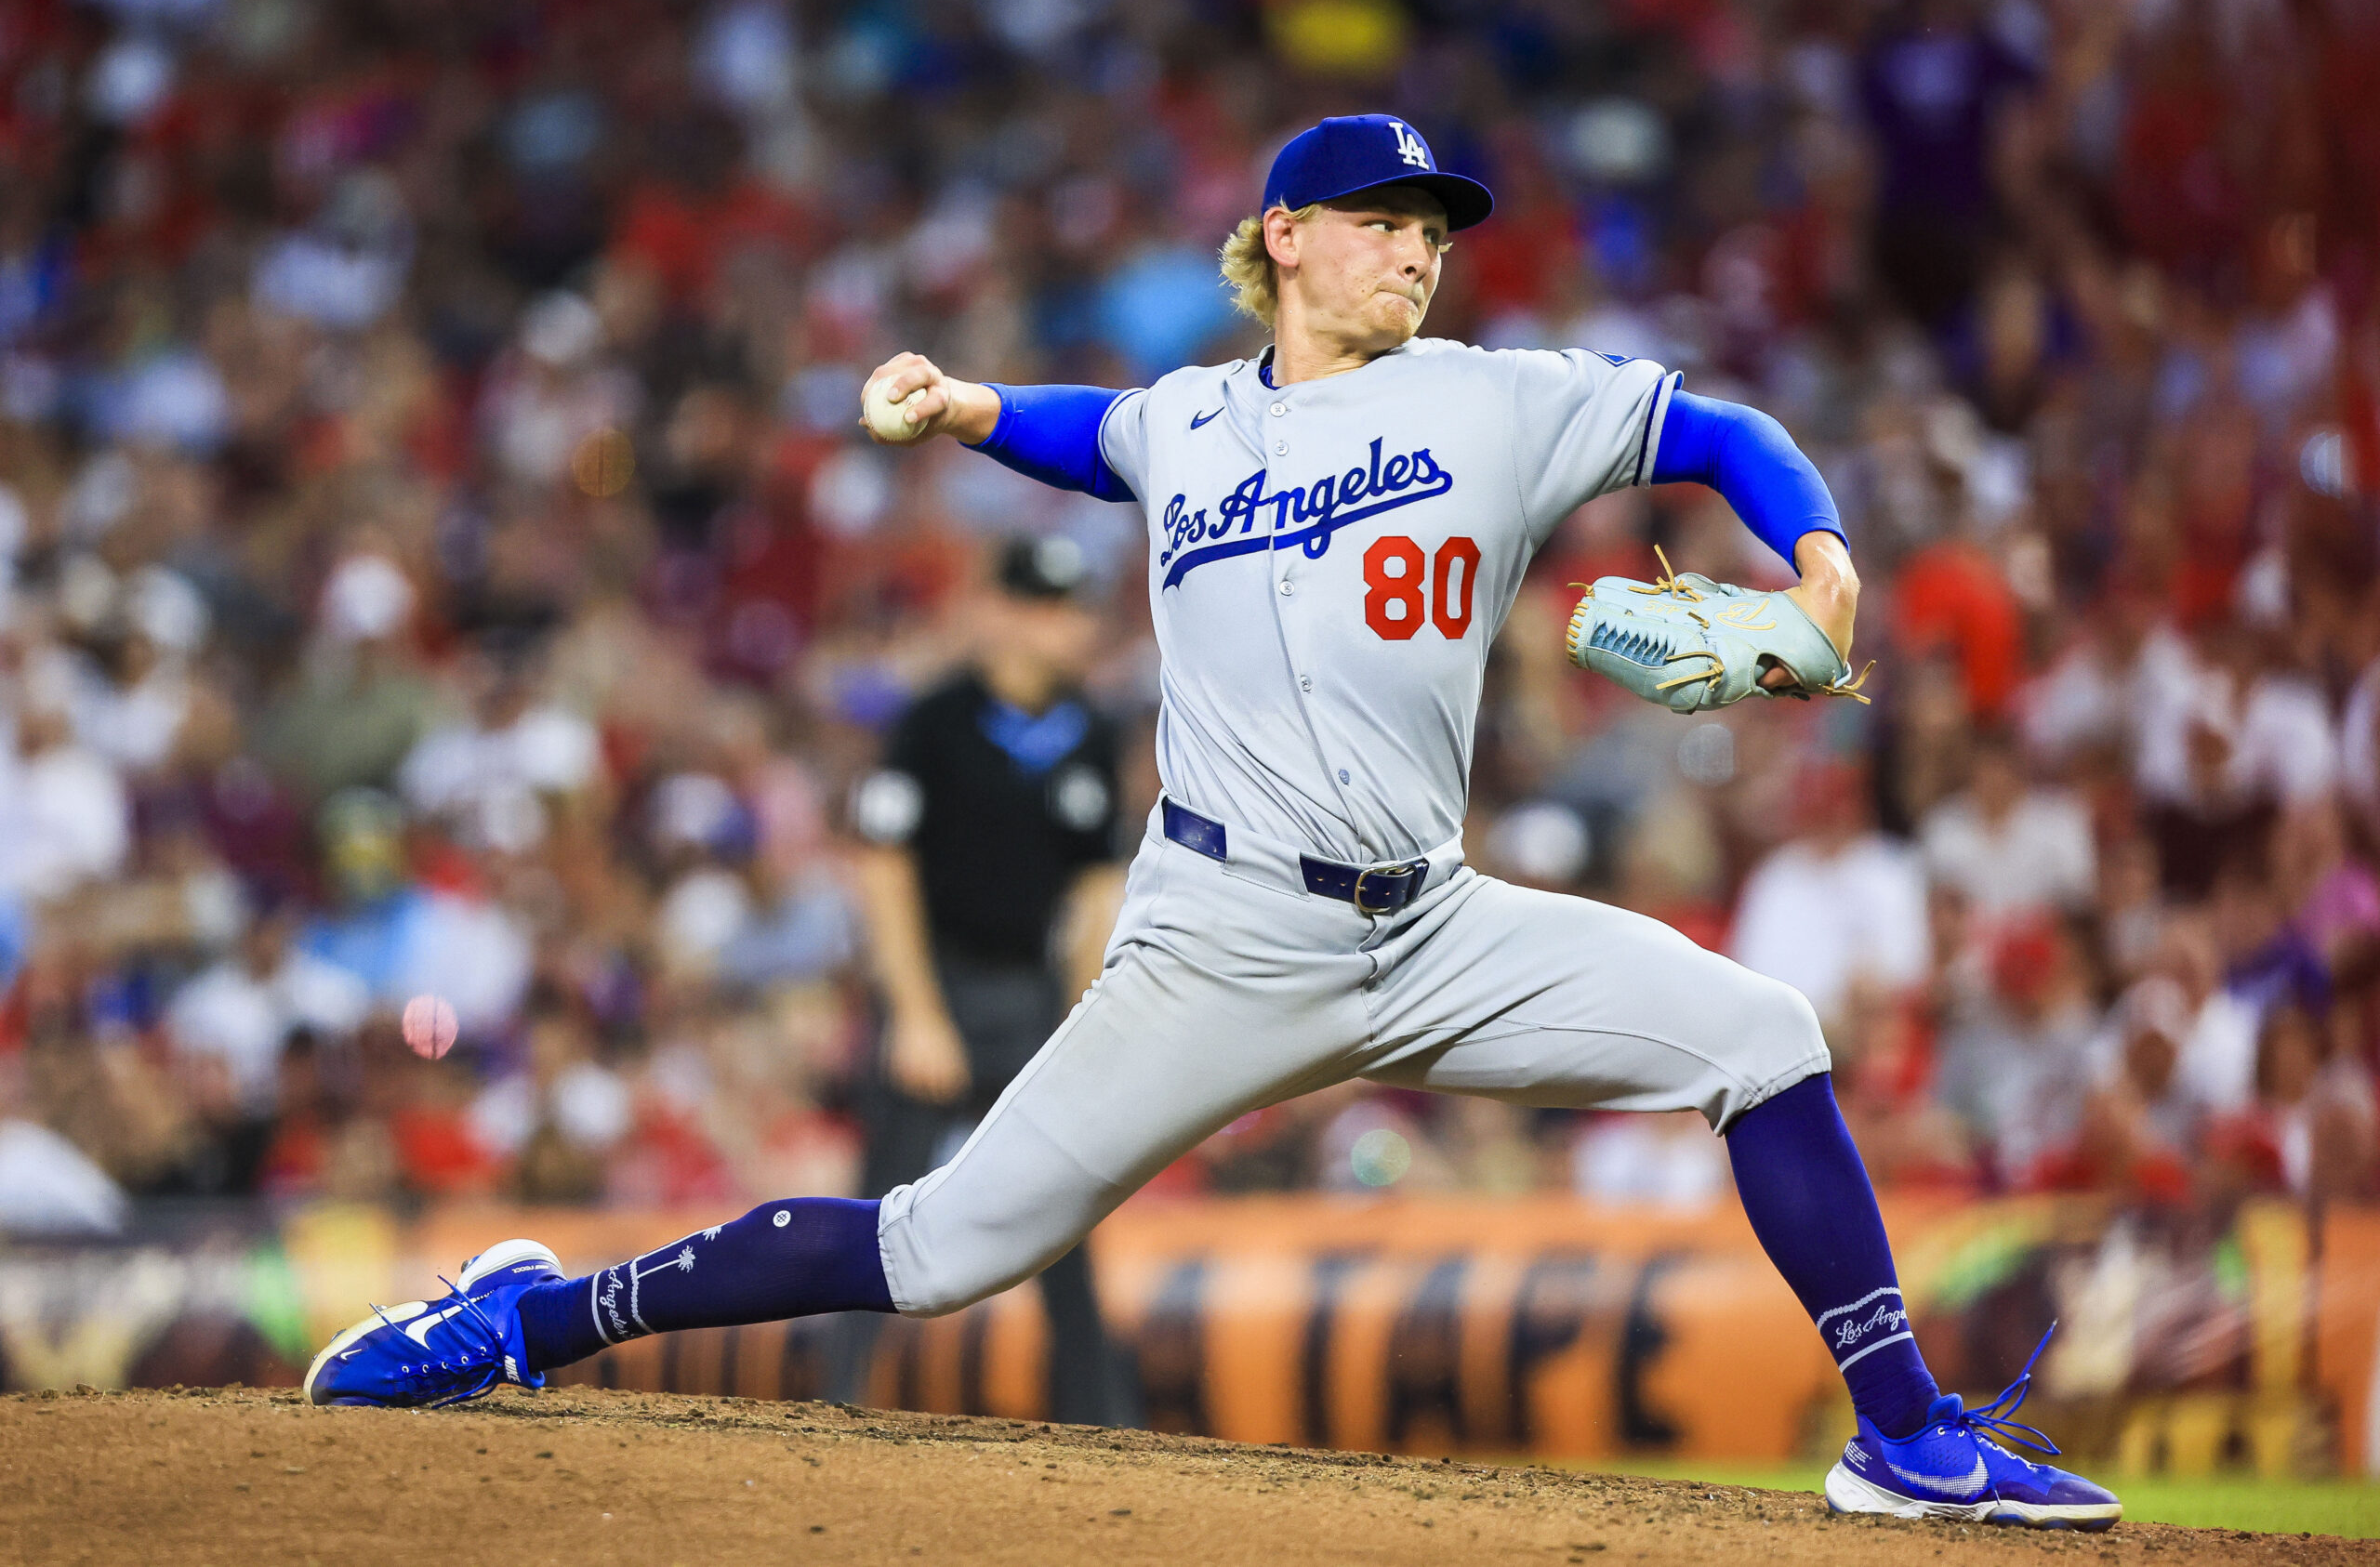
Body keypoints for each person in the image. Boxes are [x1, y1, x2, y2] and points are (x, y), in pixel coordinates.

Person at [306, 113, 2119, 1532]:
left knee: (1763, 1033)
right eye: (1385, 218)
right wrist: (961, 408)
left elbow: (1716, 431)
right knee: (942, 1249)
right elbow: (1096, 429)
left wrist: (1818, 565)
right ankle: (527, 1316)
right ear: (1280, 240)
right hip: (1220, 936)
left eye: (1435, 226)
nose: (1418, 244)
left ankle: (1901, 1437)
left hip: (1433, 924)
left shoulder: (1496, 399)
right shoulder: (1187, 422)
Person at [840, 533, 1134, 1424]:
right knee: (880, 1211)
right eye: (1047, 605)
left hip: (1030, 998)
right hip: (941, 987)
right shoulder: (933, 721)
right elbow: (882, 867)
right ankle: (824, 1406)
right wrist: (916, 1013)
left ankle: (1104, 1428)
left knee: (1061, 1221)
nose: (1068, 625)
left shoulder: (1090, 728)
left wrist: (1086, 1017)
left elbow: (1094, 884)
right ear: (999, 608)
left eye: (1075, 607)